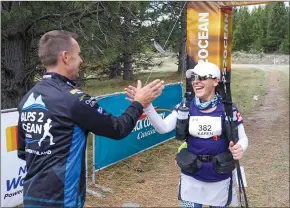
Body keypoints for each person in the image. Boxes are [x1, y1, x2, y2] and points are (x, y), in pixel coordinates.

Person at [17, 30, 164, 208]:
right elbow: (118, 129)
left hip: (32, 196)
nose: (81, 60)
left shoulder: (28, 98)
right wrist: (139, 103)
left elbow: (23, 152)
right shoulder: (74, 99)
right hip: (62, 199)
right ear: (65, 57)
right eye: (78, 54)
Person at [125, 61, 248, 208]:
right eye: (194, 78)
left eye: (202, 77)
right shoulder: (185, 107)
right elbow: (163, 128)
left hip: (219, 175)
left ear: (216, 81)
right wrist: (147, 107)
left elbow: (243, 138)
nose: (196, 82)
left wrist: (240, 147)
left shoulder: (229, 109)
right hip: (191, 175)